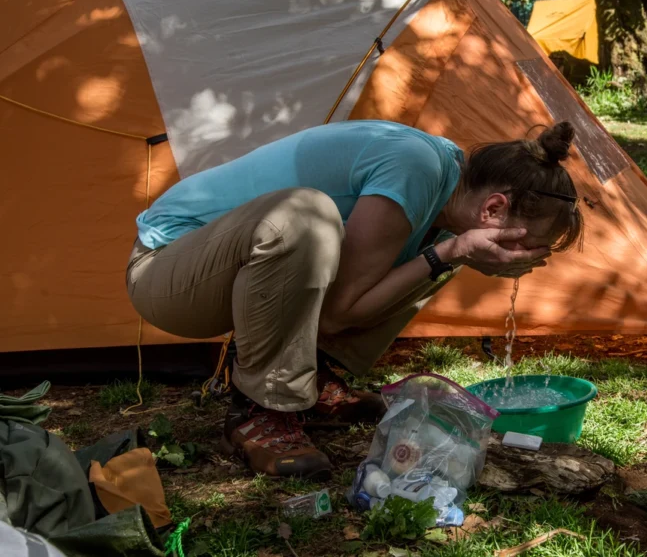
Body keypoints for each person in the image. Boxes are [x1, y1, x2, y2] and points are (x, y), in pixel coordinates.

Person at [125, 119, 583, 480]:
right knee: (307, 217)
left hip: (231, 275)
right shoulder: (417, 166)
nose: (527, 257)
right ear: (494, 209)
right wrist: (451, 251)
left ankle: (314, 375)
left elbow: (349, 299)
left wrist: (450, 252)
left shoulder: (451, 187)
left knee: (441, 250)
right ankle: (262, 407)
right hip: (169, 272)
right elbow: (344, 308)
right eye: (530, 243)